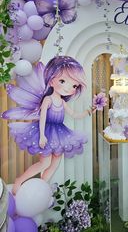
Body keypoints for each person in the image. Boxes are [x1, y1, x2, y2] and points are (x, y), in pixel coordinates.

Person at [2, 56, 96, 194]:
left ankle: (40, 188)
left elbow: (74, 114)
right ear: (51, 81)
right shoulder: (48, 99)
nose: (69, 88)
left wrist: (89, 111)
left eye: (74, 85)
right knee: (44, 163)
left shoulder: (63, 102)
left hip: (60, 133)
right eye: (63, 81)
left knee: (54, 164)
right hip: (46, 131)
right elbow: (42, 118)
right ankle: (19, 180)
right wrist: (41, 136)